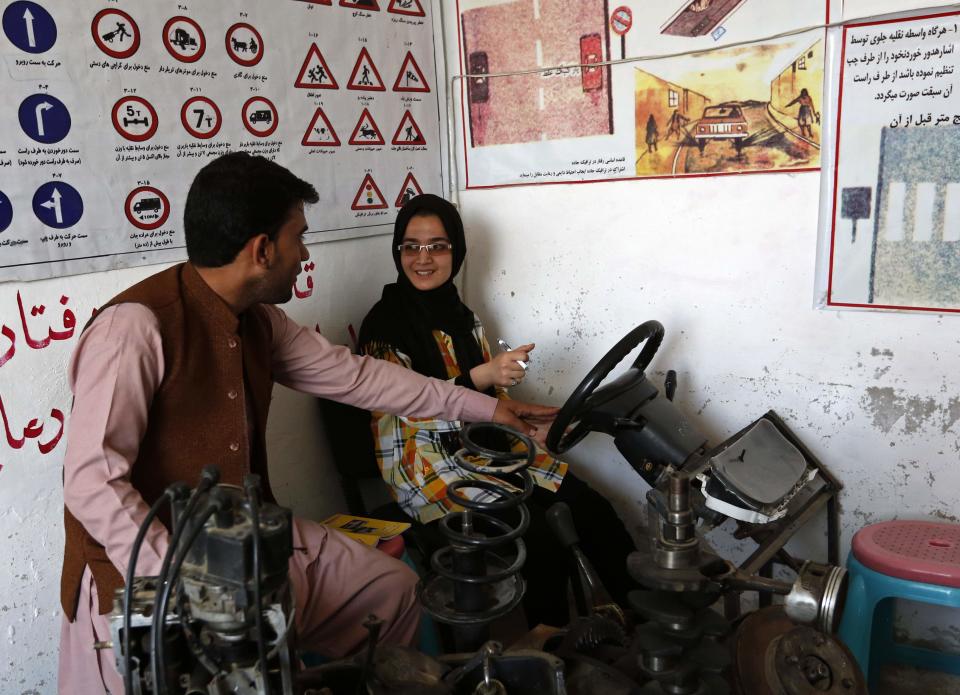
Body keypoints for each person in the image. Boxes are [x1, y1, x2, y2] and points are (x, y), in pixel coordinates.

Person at [58, 153, 556, 694]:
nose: (304, 254)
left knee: (391, 592)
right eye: (299, 238)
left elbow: (362, 378)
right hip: (143, 571)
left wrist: (488, 407)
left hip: (245, 540)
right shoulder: (133, 329)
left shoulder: (260, 322)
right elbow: (93, 482)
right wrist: (186, 585)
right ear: (262, 250)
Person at [358, 194, 636, 629]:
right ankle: (550, 646)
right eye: (410, 246)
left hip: (483, 447)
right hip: (424, 462)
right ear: (398, 252)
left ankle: (638, 625)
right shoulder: (384, 326)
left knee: (593, 509)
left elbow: (491, 405)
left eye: (438, 245)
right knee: (539, 535)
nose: (423, 258)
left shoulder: (464, 318)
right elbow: (405, 406)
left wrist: (527, 424)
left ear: (458, 251)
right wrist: (484, 376)